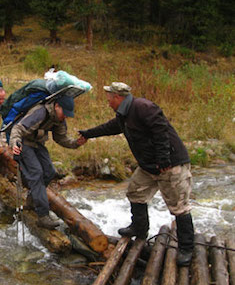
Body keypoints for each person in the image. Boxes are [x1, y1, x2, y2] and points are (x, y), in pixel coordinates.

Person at [78, 82, 195, 266]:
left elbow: (161, 131)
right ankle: (140, 229)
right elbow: (109, 128)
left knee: (179, 207)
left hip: (171, 165)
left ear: (118, 97)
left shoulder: (143, 107)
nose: (108, 102)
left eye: (109, 98)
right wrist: (88, 134)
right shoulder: (124, 115)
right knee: (135, 192)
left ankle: (187, 249)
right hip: (149, 167)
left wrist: (164, 159)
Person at [10, 95, 87, 230]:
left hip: (37, 143)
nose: (66, 117)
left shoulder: (58, 119)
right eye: (65, 113)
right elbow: (17, 129)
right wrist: (14, 144)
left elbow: (61, 138)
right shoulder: (40, 112)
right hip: (24, 143)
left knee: (50, 171)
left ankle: (33, 198)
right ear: (57, 106)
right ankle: (43, 216)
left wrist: (76, 143)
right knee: (36, 173)